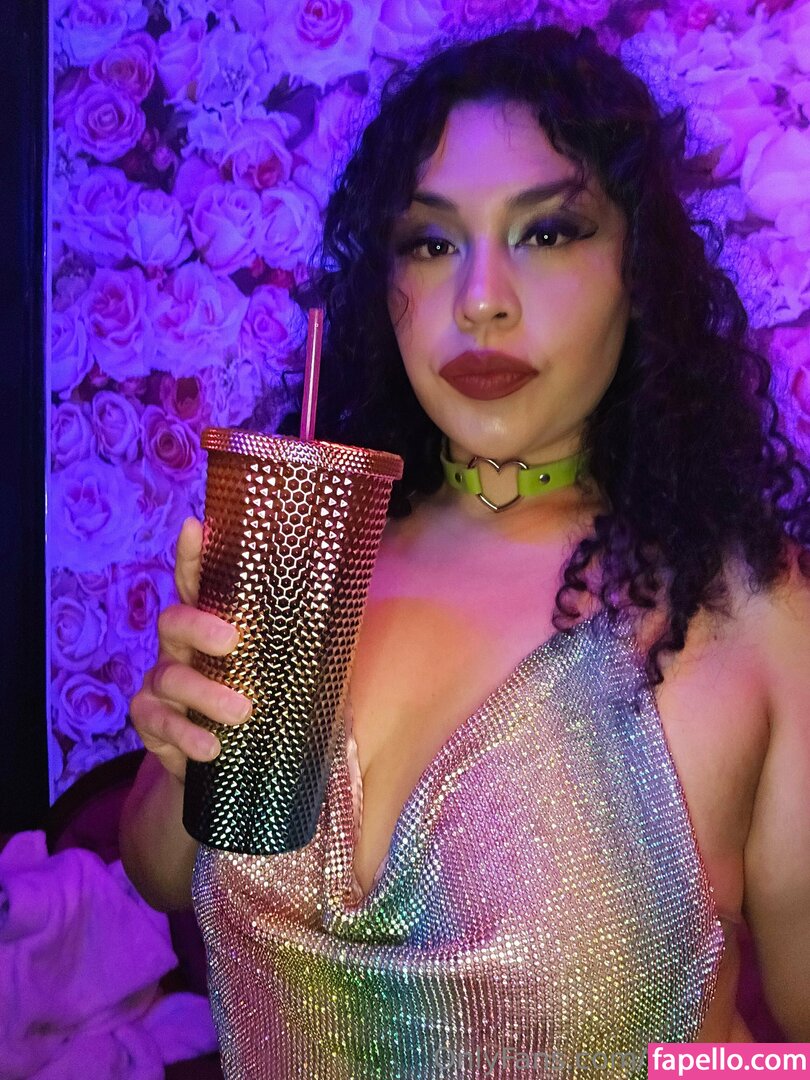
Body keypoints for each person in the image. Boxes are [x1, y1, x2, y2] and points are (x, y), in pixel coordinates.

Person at [120, 24, 810, 1077]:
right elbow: (161, 873)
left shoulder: (759, 618)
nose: (481, 297)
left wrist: (682, 1067)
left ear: (638, 270)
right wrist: (184, 747)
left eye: (550, 232)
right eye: (432, 243)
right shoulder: (309, 552)